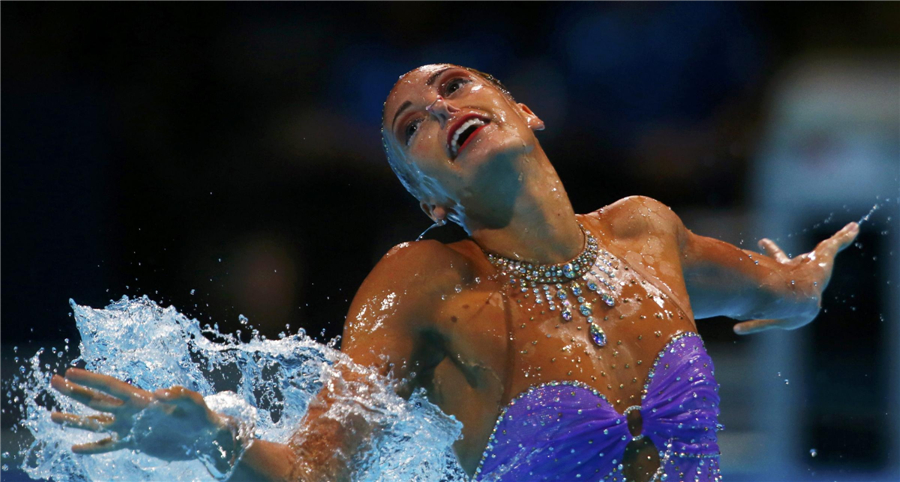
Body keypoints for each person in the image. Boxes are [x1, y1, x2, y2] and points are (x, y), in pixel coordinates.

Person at [49, 64, 859, 481]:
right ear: (428, 197)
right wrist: (215, 440)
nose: (440, 109)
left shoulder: (647, 233)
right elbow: (315, 471)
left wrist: (805, 284)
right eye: (412, 126)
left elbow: (779, 291)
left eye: (453, 87)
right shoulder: (424, 284)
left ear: (522, 108)